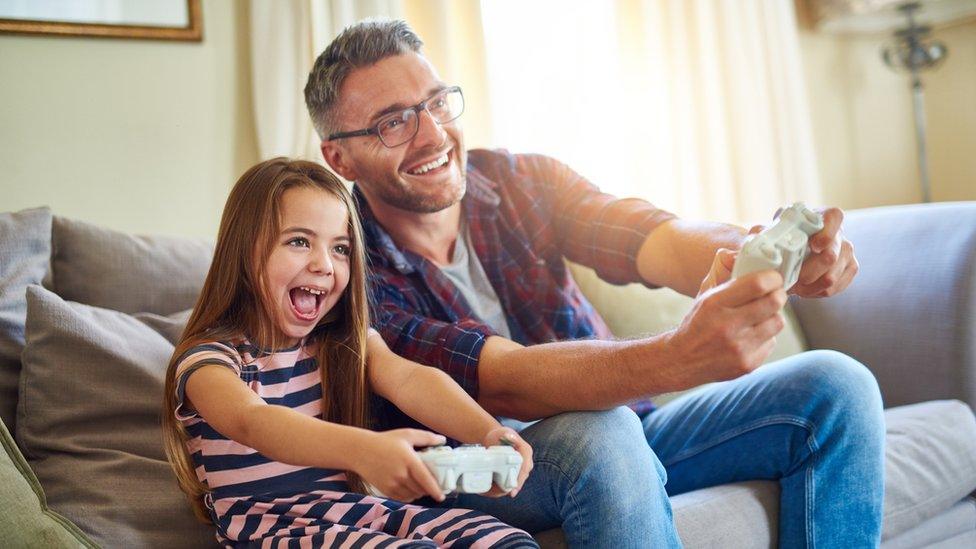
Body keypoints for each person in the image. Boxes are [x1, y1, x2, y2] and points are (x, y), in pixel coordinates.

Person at [304, 20, 886, 548]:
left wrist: (762, 255)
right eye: (394, 123)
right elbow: (505, 383)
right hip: (488, 471)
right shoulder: (344, 271)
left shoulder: (520, 180)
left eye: (436, 103)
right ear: (341, 158)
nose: (432, 135)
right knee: (601, 435)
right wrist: (679, 356)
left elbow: (650, 237)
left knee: (836, 384)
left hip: (630, 431)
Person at [161, 158, 540, 548]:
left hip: (359, 513)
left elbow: (410, 379)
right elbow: (253, 421)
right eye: (299, 241)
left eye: (340, 248)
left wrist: (488, 432)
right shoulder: (209, 360)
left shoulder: (340, 345)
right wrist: (365, 450)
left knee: (500, 539)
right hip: (272, 532)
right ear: (243, 252)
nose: (324, 264)